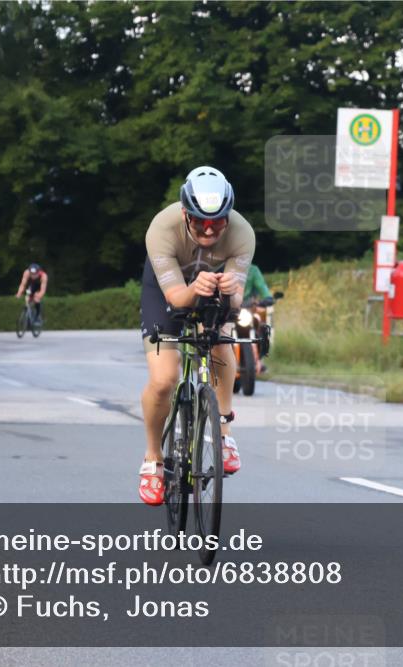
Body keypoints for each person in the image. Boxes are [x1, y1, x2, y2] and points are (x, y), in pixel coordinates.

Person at [139, 166, 255, 505]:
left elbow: (234, 302)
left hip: (214, 290)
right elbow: (176, 299)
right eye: (200, 220)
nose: (208, 228)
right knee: (164, 379)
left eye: (218, 221)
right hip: (167, 292)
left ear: (228, 216)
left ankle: (224, 428)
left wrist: (232, 292)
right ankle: (152, 459)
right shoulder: (162, 228)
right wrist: (193, 289)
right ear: (185, 213)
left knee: (222, 339)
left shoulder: (243, 233)